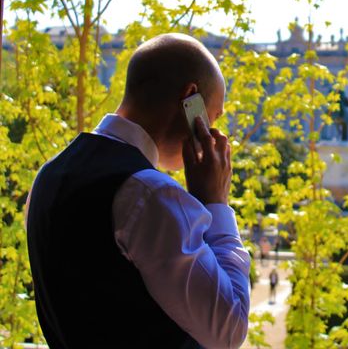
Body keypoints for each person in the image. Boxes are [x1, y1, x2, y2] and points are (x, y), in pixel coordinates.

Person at [26, 33, 250, 349]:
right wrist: (216, 203)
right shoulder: (149, 194)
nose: (215, 131)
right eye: (213, 116)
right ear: (191, 100)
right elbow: (230, 329)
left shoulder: (50, 173)